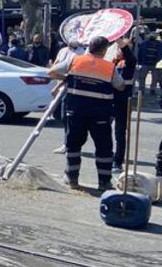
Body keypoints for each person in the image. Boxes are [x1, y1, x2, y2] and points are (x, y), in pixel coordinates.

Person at [48, 36, 125, 191]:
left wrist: (68, 78)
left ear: (89, 47)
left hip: (76, 111)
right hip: (100, 114)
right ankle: (104, 182)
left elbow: (51, 72)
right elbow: (121, 86)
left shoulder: (75, 61)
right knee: (103, 148)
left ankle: (72, 178)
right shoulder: (109, 67)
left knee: (73, 144)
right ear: (104, 50)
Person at [51, 39, 85, 154]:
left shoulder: (81, 53)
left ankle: (69, 144)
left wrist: (58, 85)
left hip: (71, 88)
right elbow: (55, 65)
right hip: (61, 85)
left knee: (68, 117)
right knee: (59, 115)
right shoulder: (63, 51)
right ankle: (69, 142)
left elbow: (71, 75)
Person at [110, 38, 137, 173]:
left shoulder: (130, 61)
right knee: (103, 130)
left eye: (123, 48)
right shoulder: (112, 63)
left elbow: (127, 52)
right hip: (109, 100)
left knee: (120, 133)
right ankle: (107, 156)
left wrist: (118, 38)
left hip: (123, 101)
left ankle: (117, 161)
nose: (120, 50)